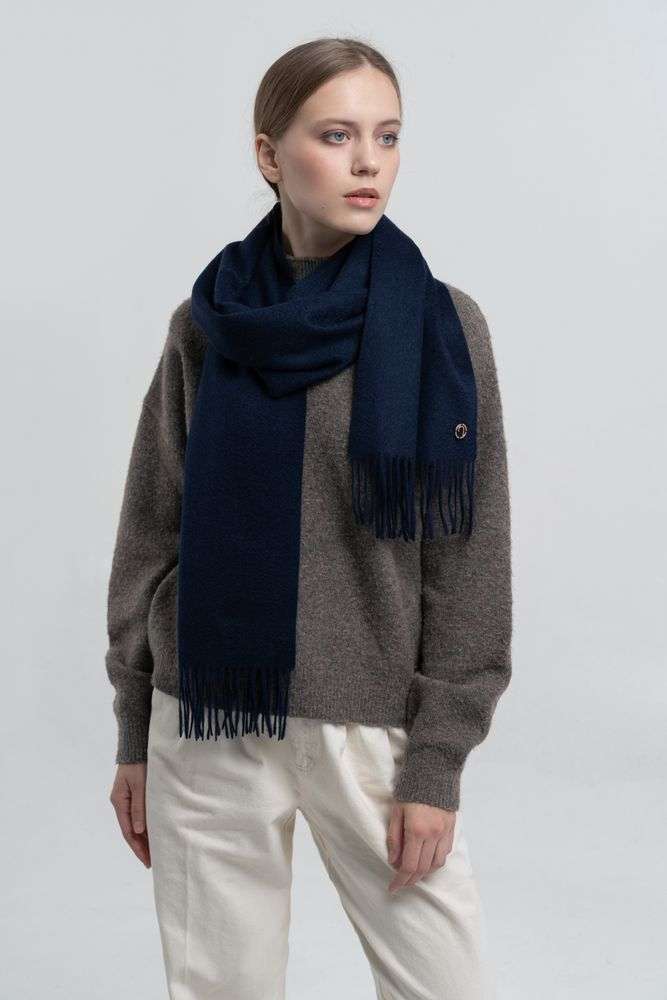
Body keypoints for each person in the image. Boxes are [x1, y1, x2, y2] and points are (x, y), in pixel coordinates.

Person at [105, 36, 512, 1000]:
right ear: (268, 155)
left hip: (368, 721)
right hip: (208, 709)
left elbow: (469, 559)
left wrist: (437, 762)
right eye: (336, 136)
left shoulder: (442, 328)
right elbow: (151, 528)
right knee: (220, 988)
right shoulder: (205, 327)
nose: (368, 161)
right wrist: (133, 729)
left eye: (387, 136)